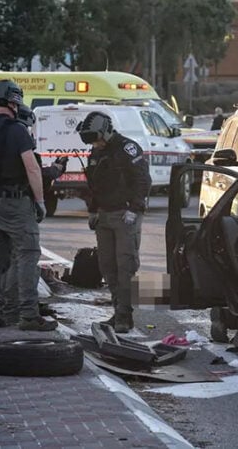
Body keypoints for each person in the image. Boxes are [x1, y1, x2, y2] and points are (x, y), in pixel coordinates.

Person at [0, 80, 56, 331]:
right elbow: (31, 168)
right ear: (13, 100)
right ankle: (29, 315)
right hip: (15, 201)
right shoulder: (16, 130)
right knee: (28, 253)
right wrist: (40, 202)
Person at [77, 111, 151, 333]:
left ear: (106, 132)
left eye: (96, 138)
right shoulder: (96, 151)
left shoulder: (127, 148)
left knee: (125, 266)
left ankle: (124, 316)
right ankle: (118, 309)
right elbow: (93, 184)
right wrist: (92, 210)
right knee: (107, 267)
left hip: (125, 215)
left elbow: (143, 180)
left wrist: (135, 208)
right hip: (104, 215)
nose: (94, 144)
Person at [0, 104, 68, 325]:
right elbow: (36, 174)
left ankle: (7, 309)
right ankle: (26, 313)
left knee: (10, 259)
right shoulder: (22, 144)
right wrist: (56, 172)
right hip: (20, 207)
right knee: (26, 256)